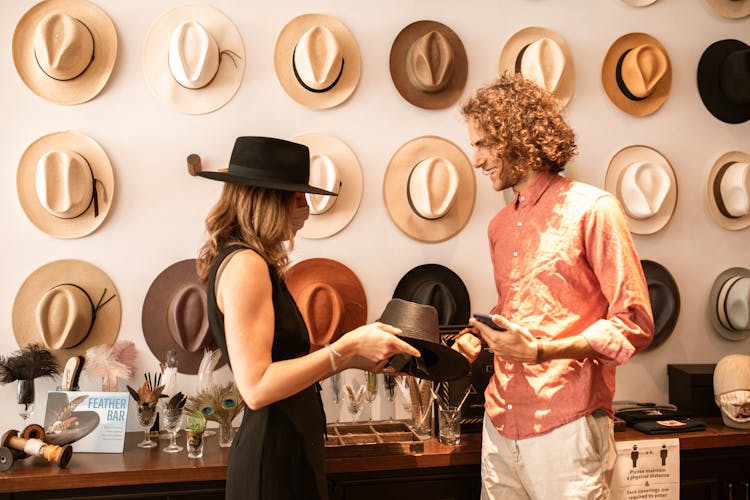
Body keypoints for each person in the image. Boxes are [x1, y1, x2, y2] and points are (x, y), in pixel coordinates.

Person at [452, 73, 654, 499]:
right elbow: (525, 309)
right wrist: (481, 337)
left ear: (516, 138)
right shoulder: (500, 225)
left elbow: (634, 323)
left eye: (483, 143)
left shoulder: (593, 210)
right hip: (501, 420)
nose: (476, 159)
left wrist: (543, 351)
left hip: (567, 424)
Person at [195, 136, 420, 500]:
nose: (307, 209)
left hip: (290, 447)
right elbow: (257, 387)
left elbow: (286, 363)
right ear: (268, 200)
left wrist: (360, 358)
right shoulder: (246, 265)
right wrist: (343, 349)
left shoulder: (251, 263)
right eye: (299, 198)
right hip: (274, 455)